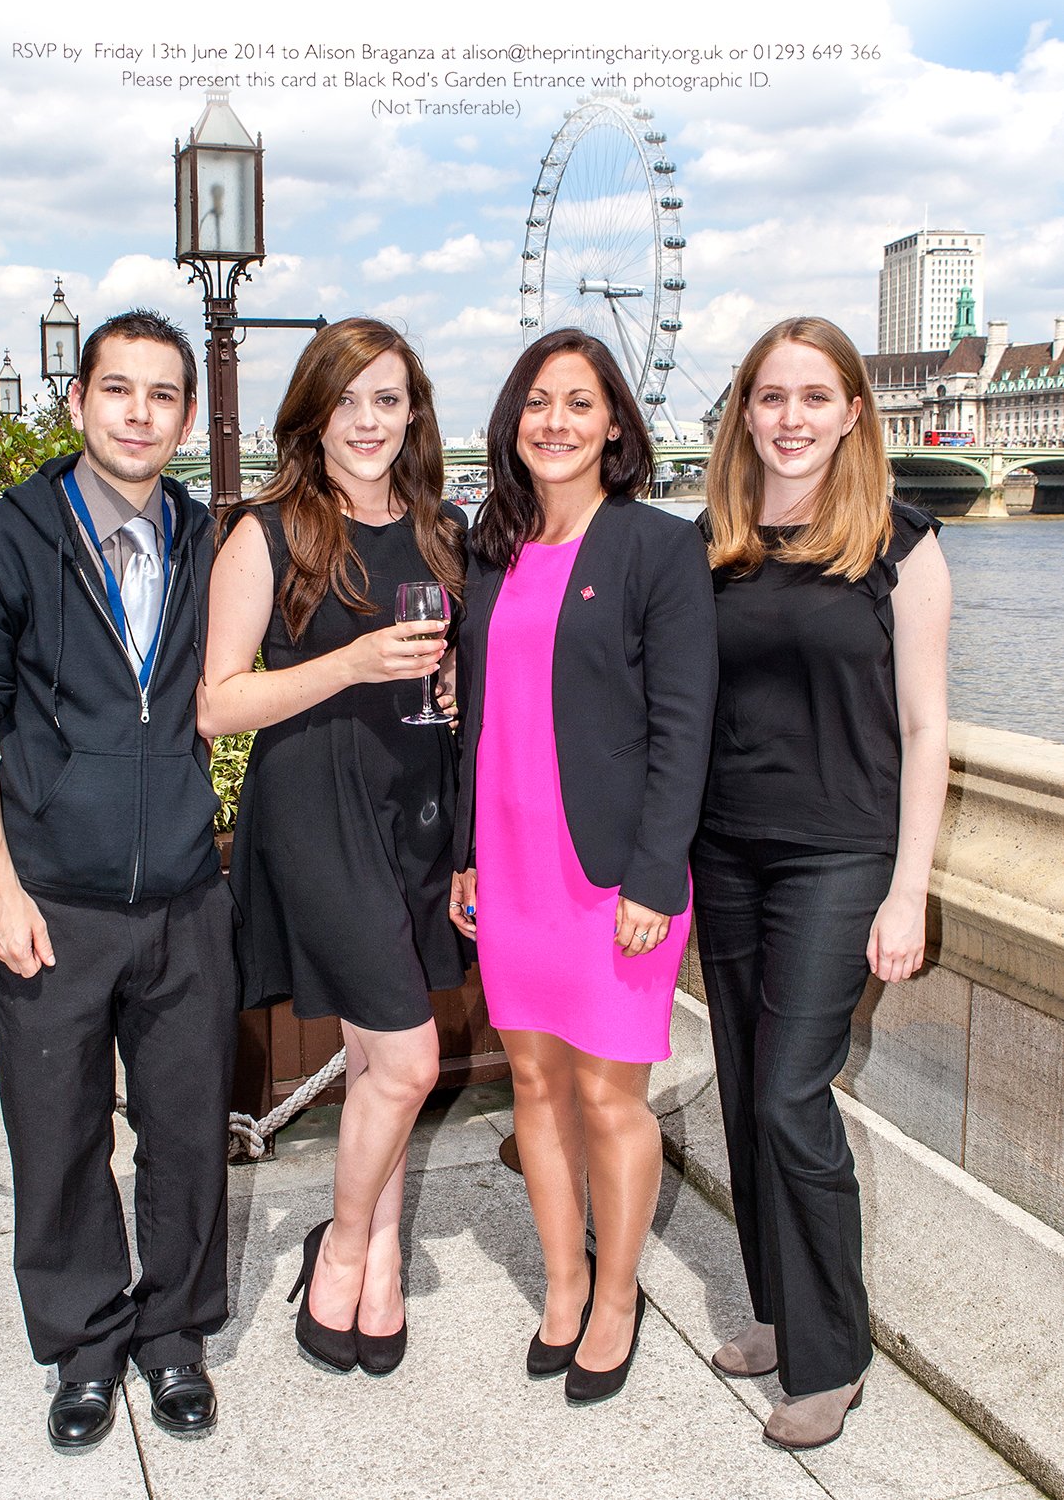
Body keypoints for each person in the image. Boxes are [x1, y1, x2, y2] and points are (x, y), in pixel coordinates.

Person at [0, 310, 236, 1453]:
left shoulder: (211, 537)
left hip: (184, 896)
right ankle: (84, 1343)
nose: (139, 413)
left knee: (187, 1131)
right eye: (118, 389)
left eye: (163, 394)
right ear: (77, 402)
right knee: (55, 1135)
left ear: (187, 417)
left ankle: (173, 1334)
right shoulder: (7, 541)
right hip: (51, 899)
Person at [694, 317, 951, 1451]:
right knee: (743, 1079)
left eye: (812, 394)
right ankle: (774, 1304)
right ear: (742, 411)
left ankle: (831, 1351)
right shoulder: (711, 542)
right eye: (768, 394)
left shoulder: (898, 544)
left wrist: (907, 889)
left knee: (791, 1093)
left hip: (836, 854)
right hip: (723, 848)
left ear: (853, 410)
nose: (788, 416)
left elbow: (924, 723)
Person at [451, 328, 718, 1404]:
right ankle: (561, 1284)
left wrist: (656, 875)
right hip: (508, 861)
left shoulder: (655, 547)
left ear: (615, 422)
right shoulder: (488, 547)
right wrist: (465, 854)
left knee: (609, 1095)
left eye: (578, 401)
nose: (553, 420)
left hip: (612, 873)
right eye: (536, 401)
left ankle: (617, 1297)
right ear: (512, 420)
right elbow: (475, 712)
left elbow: (683, 722)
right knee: (530, 1080)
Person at [200, 317, 467, 1376]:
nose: (368, 421)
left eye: (388, 399)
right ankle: (344, 1243)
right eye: (347, 399)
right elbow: (216, 703)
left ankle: (385, 1250)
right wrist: (351, 662)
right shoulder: (267, 531)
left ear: (413, 412)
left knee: (371, 1057)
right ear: (312, 413)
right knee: (410, 1058)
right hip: (316, 811)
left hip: (417, 807)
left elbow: (456, 670)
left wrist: (450, 683)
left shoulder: (441, 526)